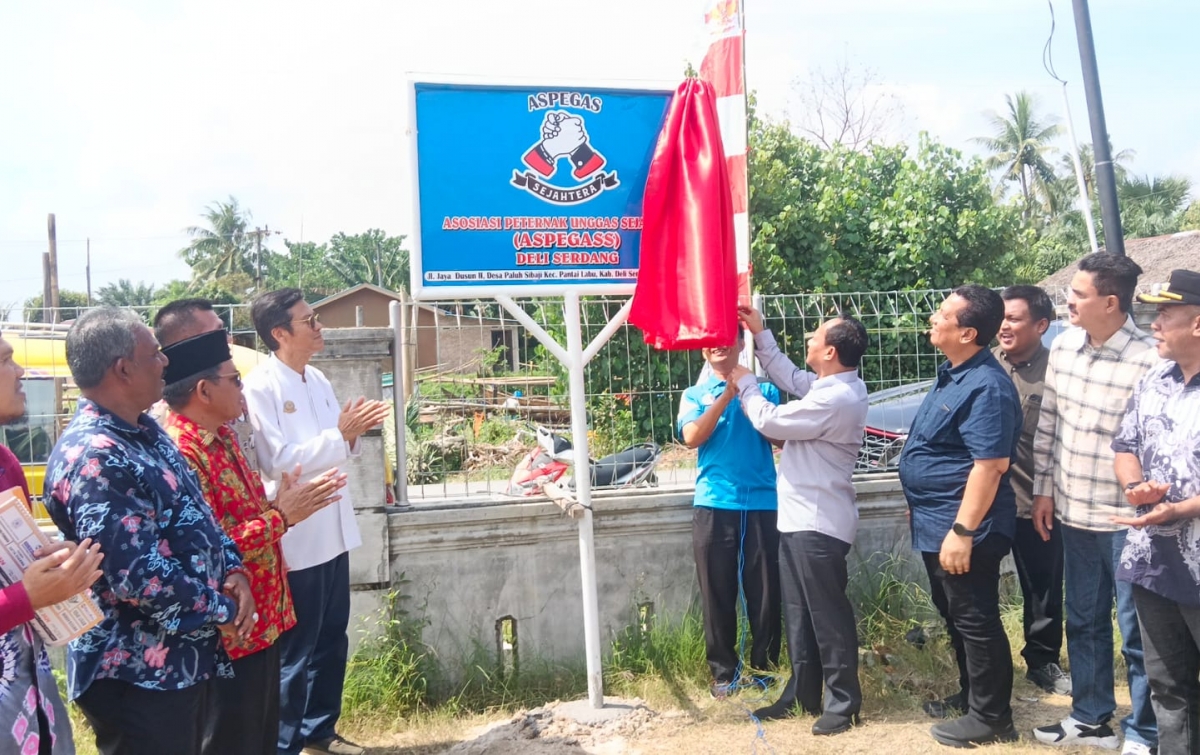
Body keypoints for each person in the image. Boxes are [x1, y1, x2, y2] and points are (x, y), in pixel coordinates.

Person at [43, 307, 255, 755]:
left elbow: (197, 513)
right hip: (136, 675)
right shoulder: (95, 457)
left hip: (179, 661)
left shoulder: (146, 431)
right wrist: (223, 612)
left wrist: (235, 571)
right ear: (123, 368)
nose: (165, 363)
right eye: (154, 354)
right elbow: (139, 576)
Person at [156, 322, 348, 754]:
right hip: (227, 631)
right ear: (204, 391)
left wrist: (279, 502)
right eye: (235, 380)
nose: (245, 391)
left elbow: (240, 513)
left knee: (262, 734)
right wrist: (281, 517)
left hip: (262, 618)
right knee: (231, 739)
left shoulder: (222, 435)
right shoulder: (184, 453)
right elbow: (204, 550)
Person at [241, 289, 390, 755]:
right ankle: (285, 742)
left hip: (333, 527)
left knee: (331, 637)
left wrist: (349, 435)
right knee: (296, 649)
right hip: (298, 534)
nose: (319, 326)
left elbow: (340, 448)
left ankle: (320, 733)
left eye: (317, 318)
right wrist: (338, 436)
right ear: (279, 333)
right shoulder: (260, 387)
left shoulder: (319, 379)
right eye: (310, 321)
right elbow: (276, 462)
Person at [1031, 253, 1159, 754]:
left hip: (1130, 522)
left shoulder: (1150, 359)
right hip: (1073, 513)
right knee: (1082, 619)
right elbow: (1050, 427)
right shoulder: (1062, 348)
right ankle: (1090, 717)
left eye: (1078, 294)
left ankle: (1145, 730)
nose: (1069, 301)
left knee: (1138, 631)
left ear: (1111, 301)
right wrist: (1044, 489)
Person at [730, 307, 869, 737]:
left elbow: (771, 420)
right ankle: (803, 694)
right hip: (799, 520)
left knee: (827, 617)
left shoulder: (836, 397)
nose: (808, 338)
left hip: (818, 522)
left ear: (829, 351)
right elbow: (792, 378)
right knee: (799, 615)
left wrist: (745, 382)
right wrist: (760, 334)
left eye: (815, 335)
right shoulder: (833, 385)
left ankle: (843, 703)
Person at [898, 285, 1022, 747]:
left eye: (944, 314)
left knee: (975, 618)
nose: (934, 318)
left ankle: (992, 719)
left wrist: (963, 531)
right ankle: (973, 699)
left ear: (968, 332)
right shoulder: (955, 374)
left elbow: (989, 467)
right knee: (955, 615)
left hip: (965, 527)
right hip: (937, 523)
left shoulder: (987, 386)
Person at [1108, 269, 1200, 755]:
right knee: (1168, 686)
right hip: (1154, 561)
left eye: (1165, 314)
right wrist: (1136, 486)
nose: (1155, 324)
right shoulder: (1156, 380)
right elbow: (1124, 445)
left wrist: (1181, 508)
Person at [0, 333, 104, 755]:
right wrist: (26, 597)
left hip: (28, 693)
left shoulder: (6, 463)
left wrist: (50, 563)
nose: (20, 372)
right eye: (6, 361)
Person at [676, 326, 781, 698]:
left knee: (766, 593)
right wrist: (725, 397)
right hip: (714, 504)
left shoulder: (765, 390)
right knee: (717, 592)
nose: (720, 345)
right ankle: (724, 673)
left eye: (727, 337)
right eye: (711, 339)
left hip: (761, 504)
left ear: (740, 343)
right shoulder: (694, 395)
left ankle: (765, 670)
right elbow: (691, 437)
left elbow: (780, 436)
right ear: (703, 349)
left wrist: (748, 392)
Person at [993, 285, 1070, 696]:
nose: (1005, 326)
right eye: (1002, 318)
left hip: (1035, 500)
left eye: (1015, 319)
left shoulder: (1057, 372)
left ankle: (1042, 661)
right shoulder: (986, 365)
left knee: (1042, 586)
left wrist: (1051, 493)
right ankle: (984, 664)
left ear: (1041, 325)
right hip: (986, 502)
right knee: (977, 585)